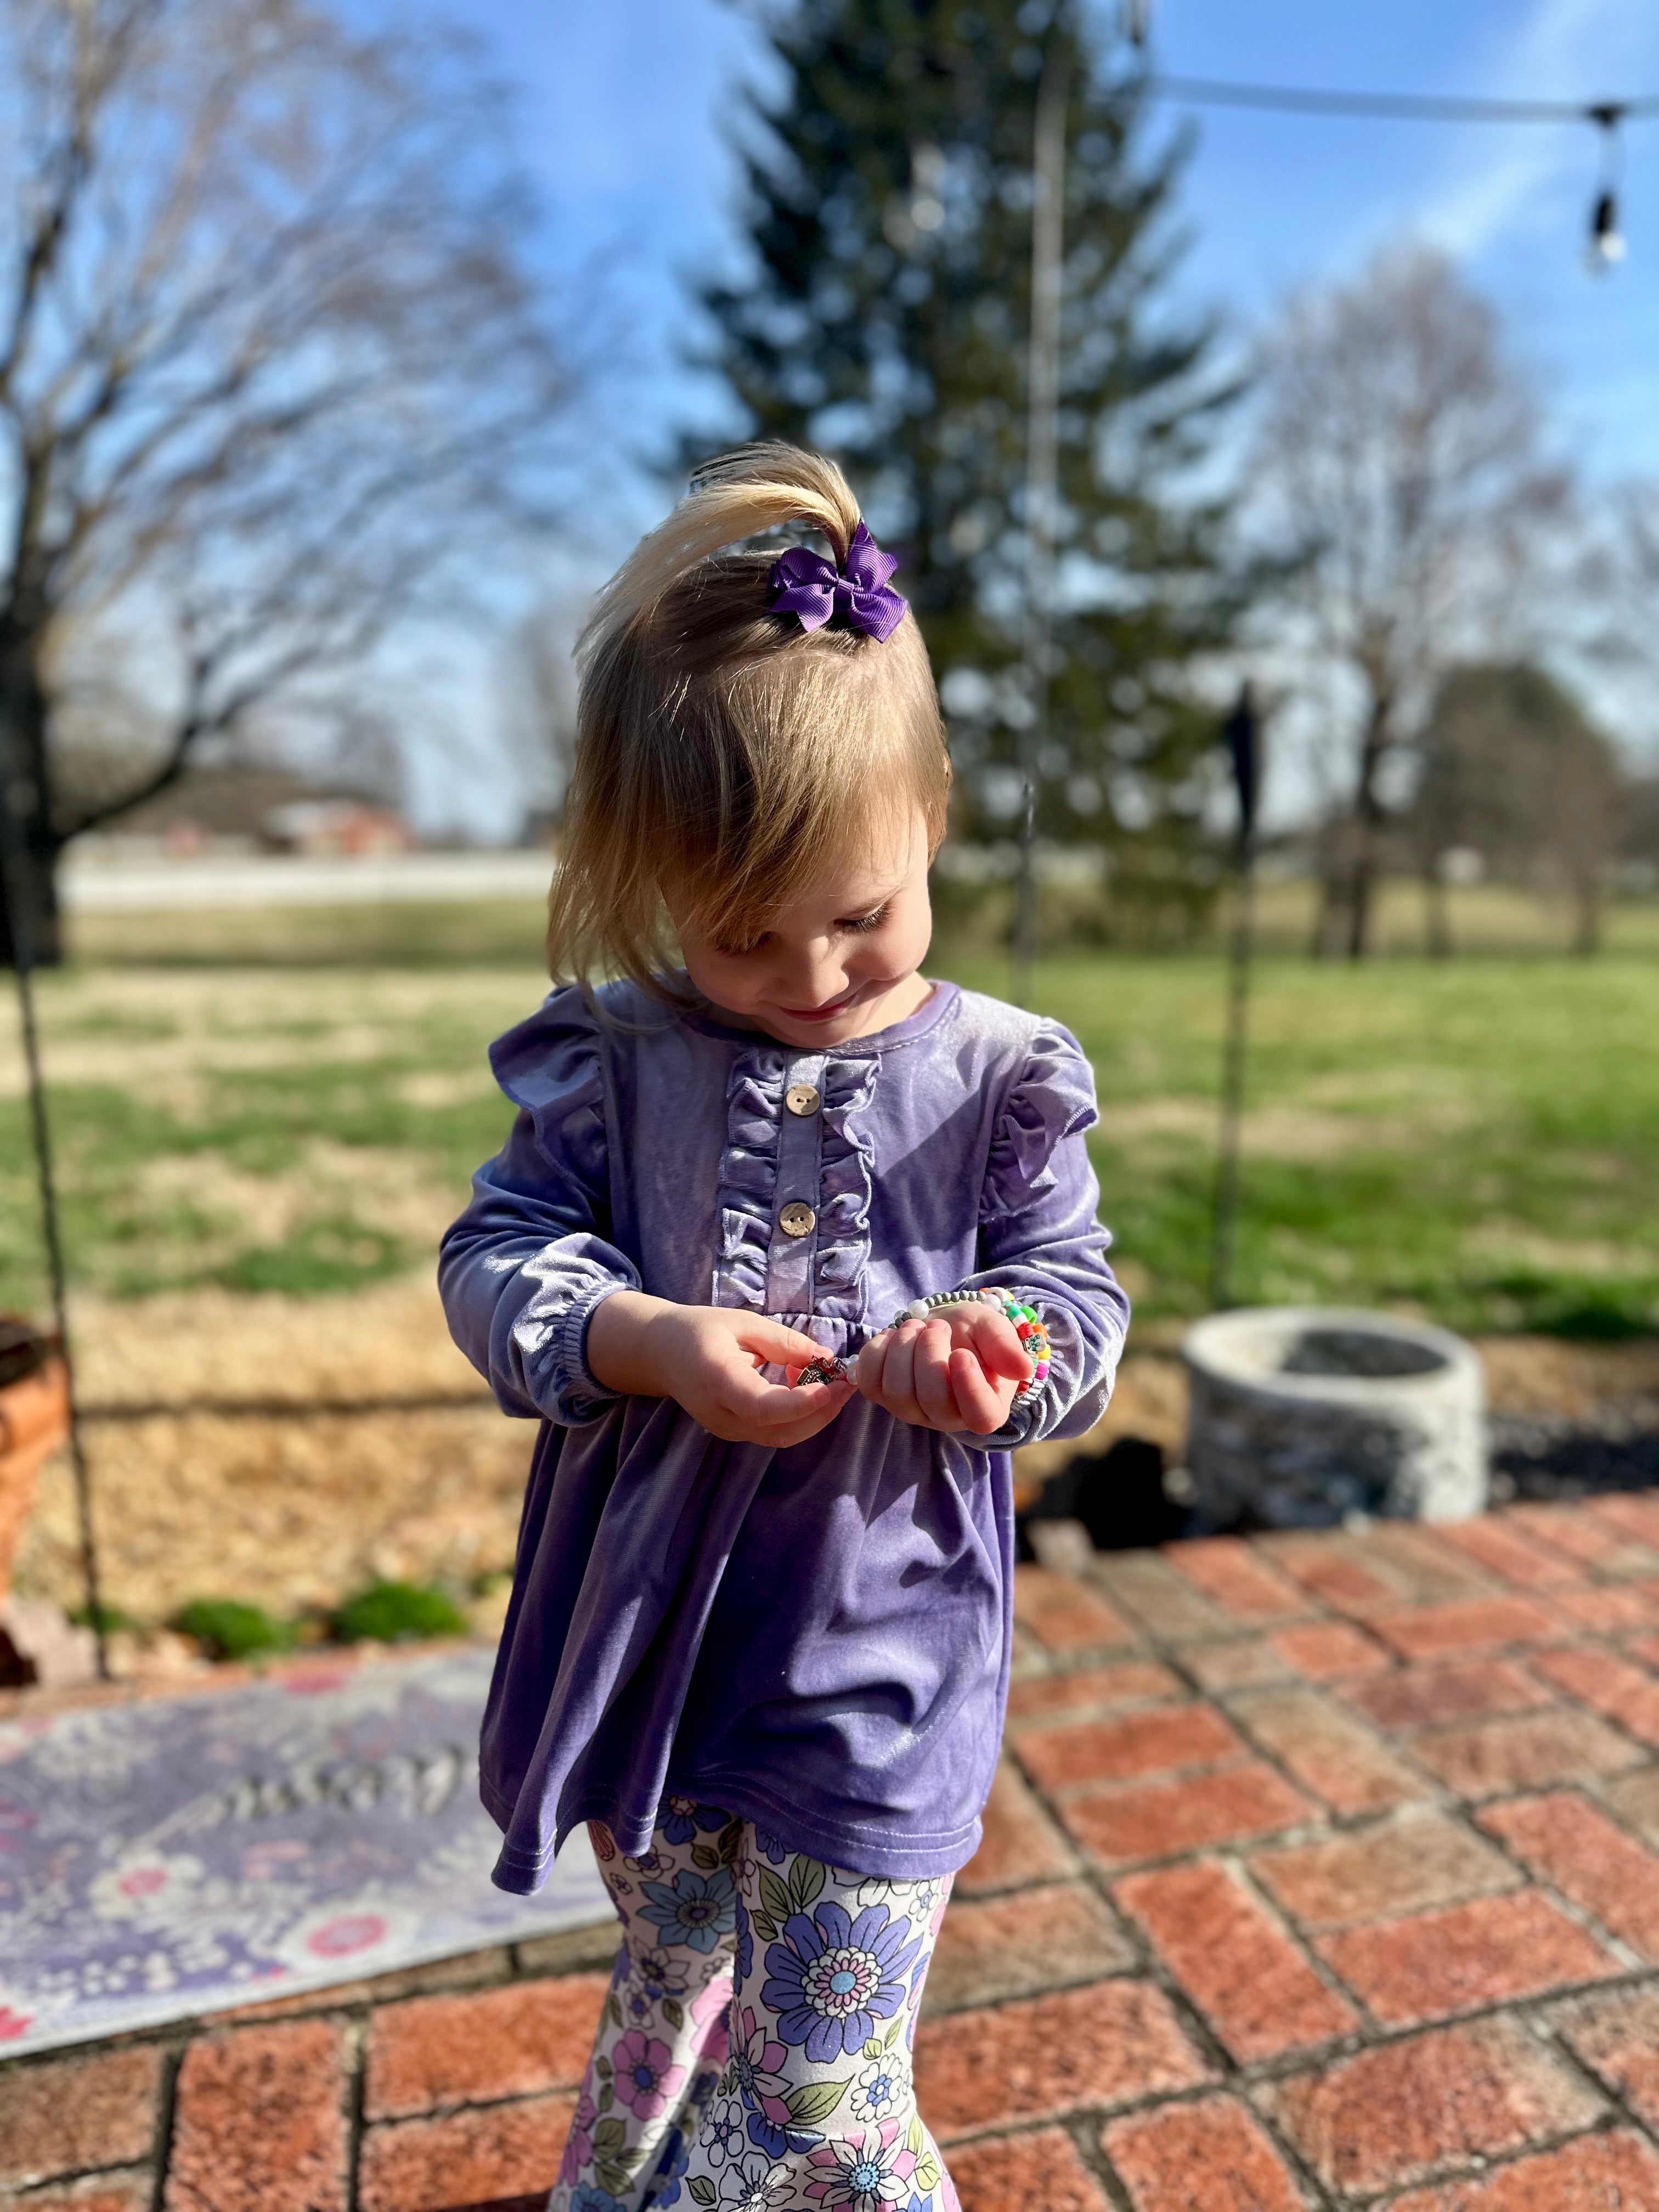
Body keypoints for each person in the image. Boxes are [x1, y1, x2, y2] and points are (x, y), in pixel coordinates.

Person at [439, 444, 1128, 2212]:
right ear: (652, 881)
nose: (815, 977)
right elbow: (493, 1256)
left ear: (935, 815)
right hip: (649, 1656)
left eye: (864, 916)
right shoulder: (618, 1060)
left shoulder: (999, 1079)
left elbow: (1076, 1295)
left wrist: (995, 1348)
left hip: (880, 1664)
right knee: (674, 1975)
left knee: (820, 2096)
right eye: (746, 934)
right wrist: (640, 1338)